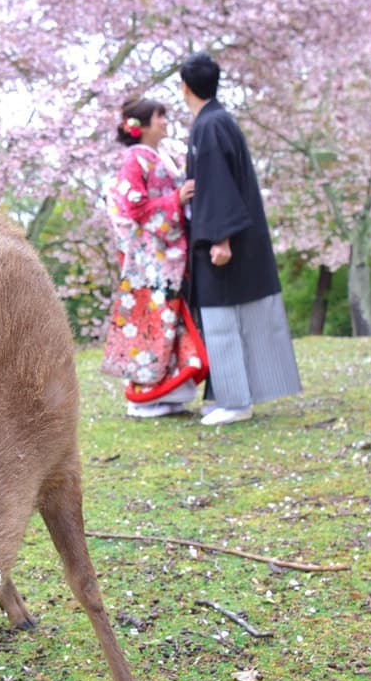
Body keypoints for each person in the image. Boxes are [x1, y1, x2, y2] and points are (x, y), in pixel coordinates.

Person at [180, 51, 301, 426]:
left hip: (224, 243)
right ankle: (231, 396)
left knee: (224, 318)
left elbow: (218, 183)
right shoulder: (218, 121)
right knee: (230, 318)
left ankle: (236, 401)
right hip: (230, 235)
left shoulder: (210, 126)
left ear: (185, 87)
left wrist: (220, 238)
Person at [101, 97, 205, 419]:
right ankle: (144, 397)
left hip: (161, 258)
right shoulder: (136, 160)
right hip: (151, 260)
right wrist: (176, 197)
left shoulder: (156, 157)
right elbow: (135, 208)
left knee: (165, 325)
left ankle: (165, 394)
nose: (164, 121)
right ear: (141, 125)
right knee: (151, 326)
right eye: (159, 116)